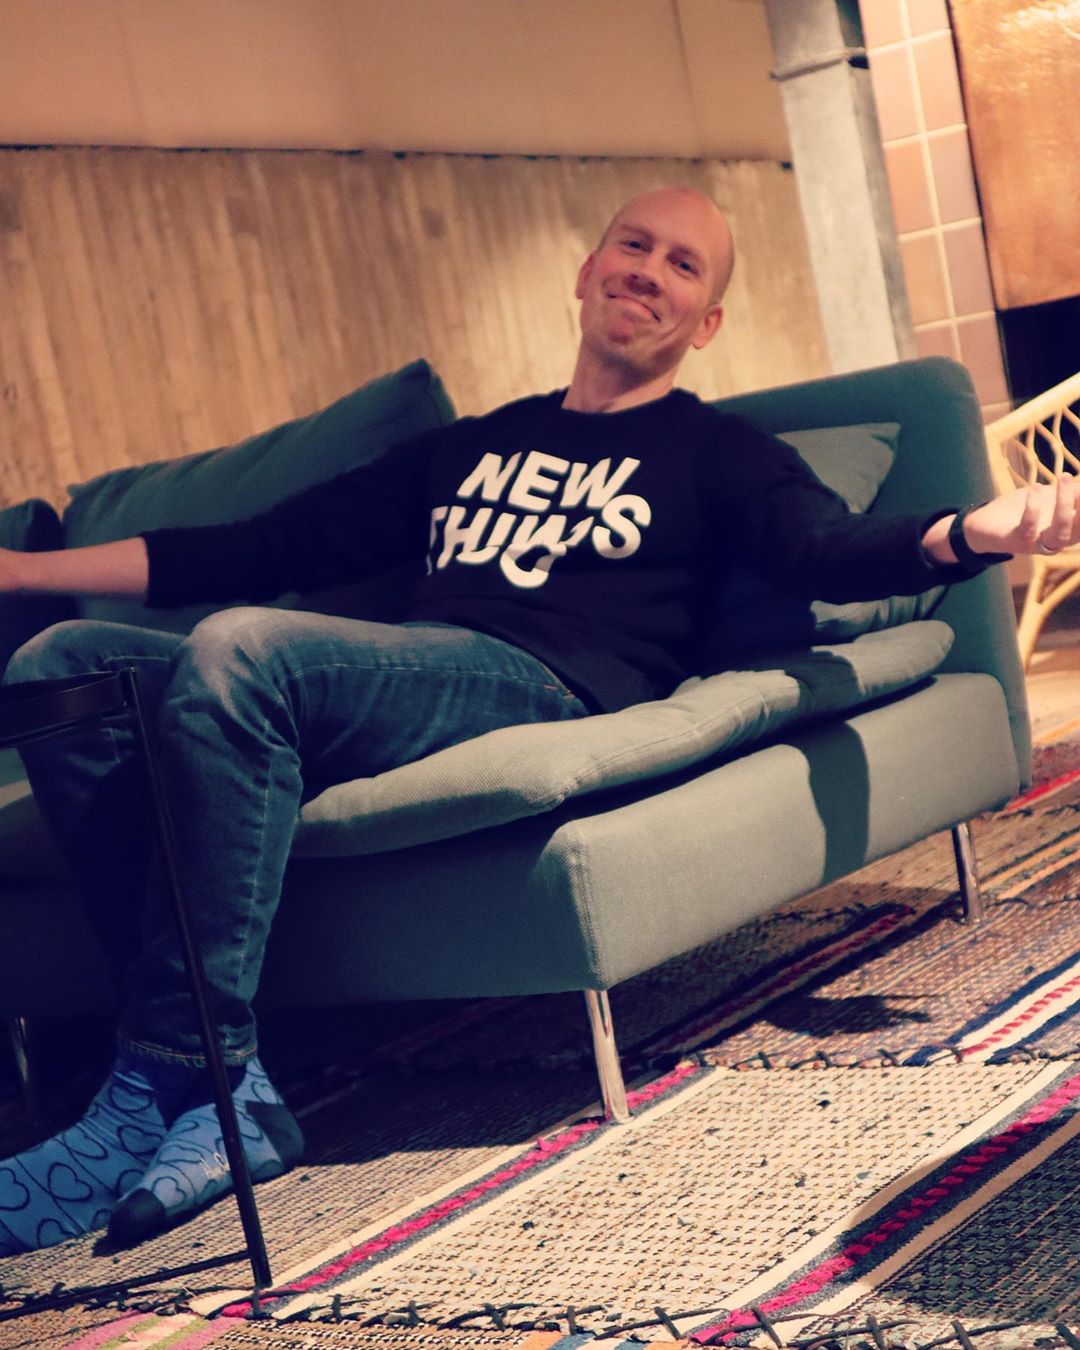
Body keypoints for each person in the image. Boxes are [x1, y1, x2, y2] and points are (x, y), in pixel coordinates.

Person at [0, 185, 1075, 1258]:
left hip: (545, 675)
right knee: (63, 666)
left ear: (705, 323)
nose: (648, 269)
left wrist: (969, 531)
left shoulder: (714, 451)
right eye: (634, 244)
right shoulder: (472, 445)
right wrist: (22, 570)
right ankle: (214, 1087)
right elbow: (257, 547)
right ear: (588, 270)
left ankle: (158, 1087)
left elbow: (821, 550)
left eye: (684, 265)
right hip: (401, 673)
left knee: (242, 647)